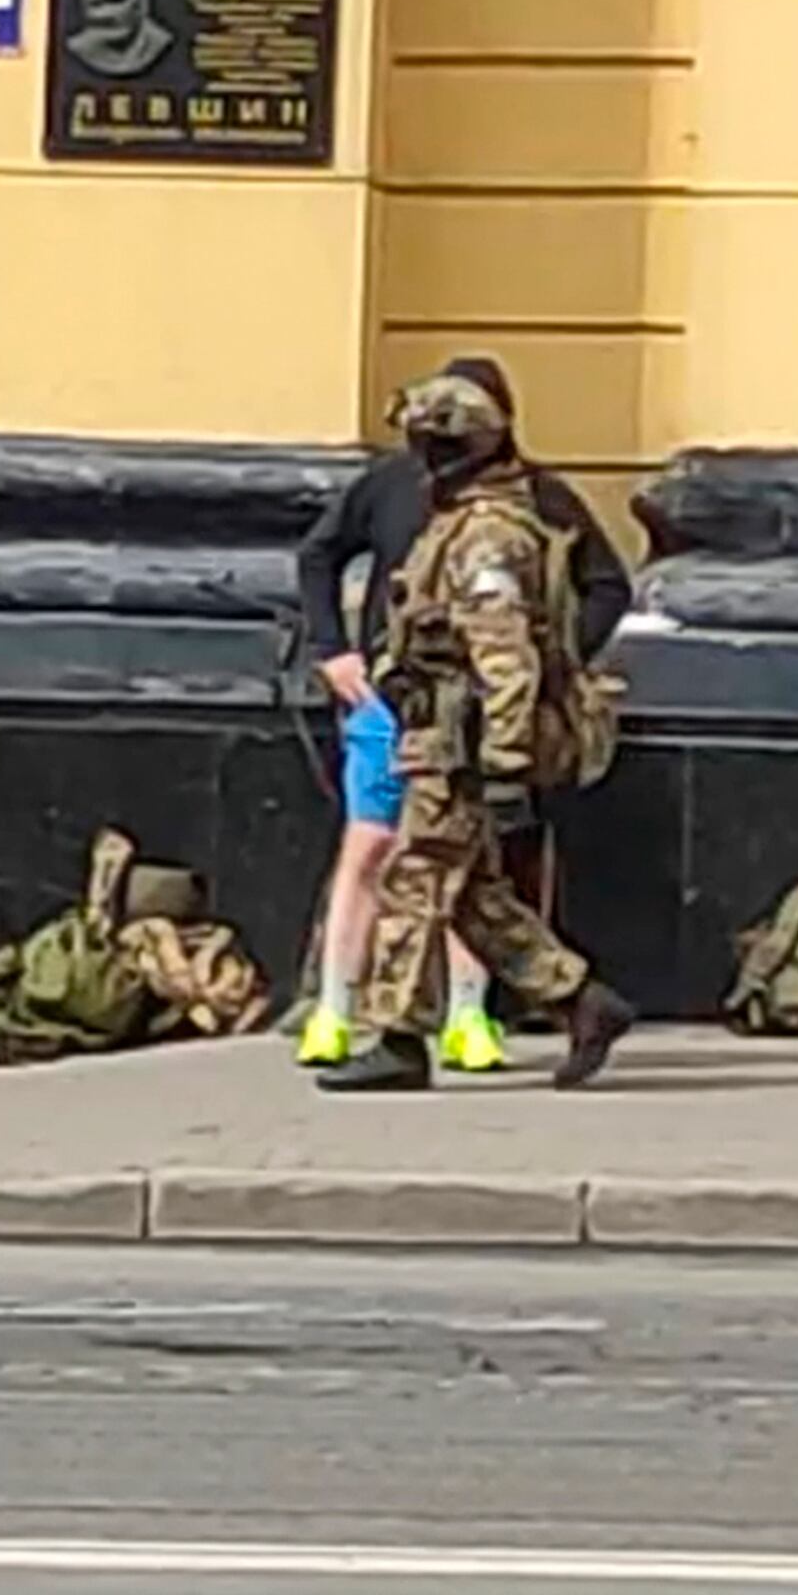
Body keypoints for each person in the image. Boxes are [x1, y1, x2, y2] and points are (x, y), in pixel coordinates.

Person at [291, 353, 634, 1070]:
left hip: (463, 741)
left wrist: (504, 767)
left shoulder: (486, 534)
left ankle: (397, 1040)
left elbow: (505, 659)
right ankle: (580, 1000)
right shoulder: (468, 517)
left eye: (435, 448)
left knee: (415, 876)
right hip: (436, 730)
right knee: (471, 891)